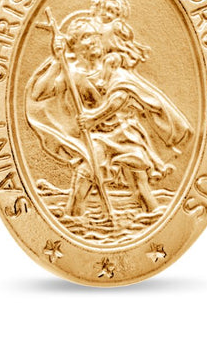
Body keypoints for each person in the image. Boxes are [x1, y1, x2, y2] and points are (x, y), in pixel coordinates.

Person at [26, 12, 191, 218]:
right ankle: (74, 217)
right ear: (74, 45)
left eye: (95, 35)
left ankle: (154, 218)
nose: (94, 40)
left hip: (125, 133)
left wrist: (94, 117)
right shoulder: (74, 75)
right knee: (84, 177)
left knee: (140, 187)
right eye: (86, 36)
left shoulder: (113, 66)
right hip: (99, 138)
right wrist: (57, 61)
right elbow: (38, 93)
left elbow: (120, 97)